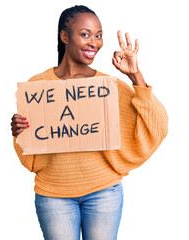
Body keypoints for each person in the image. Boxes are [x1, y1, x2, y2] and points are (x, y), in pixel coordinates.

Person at [11, 5, 168, 240]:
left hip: (104, 192)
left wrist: (135, 75)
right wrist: (19, 132)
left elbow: (157, 125)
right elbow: (30, 158)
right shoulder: (37, 87)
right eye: (85, 34)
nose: (94, 42)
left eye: (99, 35)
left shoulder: (108, 87)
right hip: (53, 195)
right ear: (65, 37)